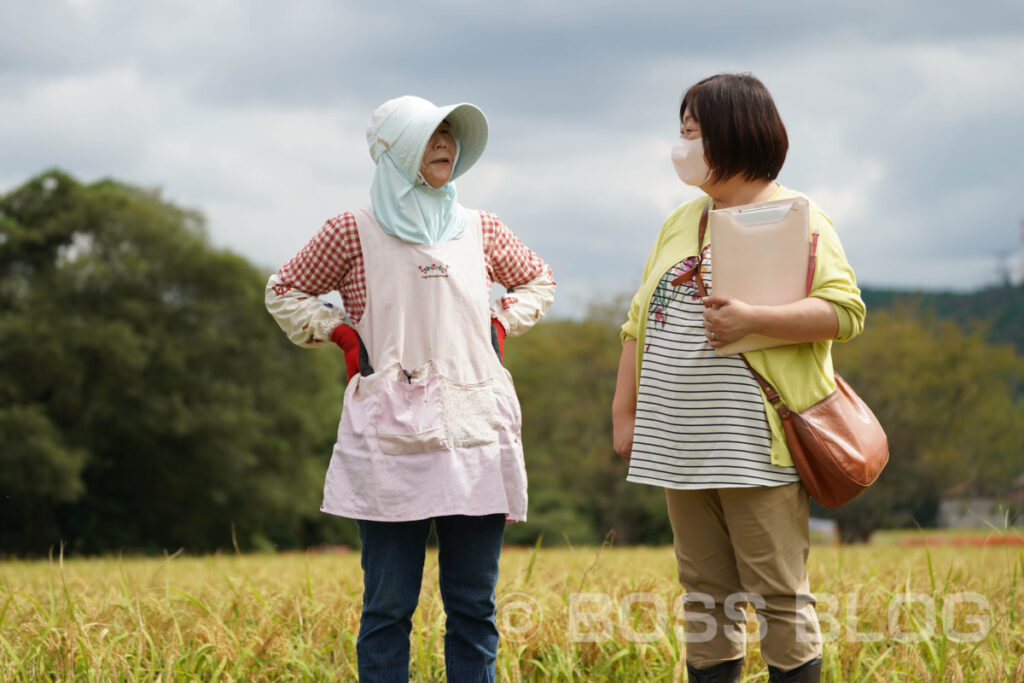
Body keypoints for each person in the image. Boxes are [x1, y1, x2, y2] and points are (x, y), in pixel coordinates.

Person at [265, 95, 555, 682]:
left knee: (474, 607)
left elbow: (538, 278)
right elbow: (284, 290)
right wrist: (339, 332)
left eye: (449, 133)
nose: (445, 143)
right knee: (388, 607)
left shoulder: (480, 227)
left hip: (474, 426)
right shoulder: (353, 231)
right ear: (394, 150)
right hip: (391, 431)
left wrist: (501, 322)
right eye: (429, 135)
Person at [611, 73, 865, 683]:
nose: (682, 145)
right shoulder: (680, 221)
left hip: (754, 443)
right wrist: (626, 413)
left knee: (778, 593)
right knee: (703, 594)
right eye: (681, 131)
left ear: (734, 134)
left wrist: (757, 319)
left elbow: (845, 312)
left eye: (693, 132)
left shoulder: (799, 217)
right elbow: (637, 323)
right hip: (679, 440)